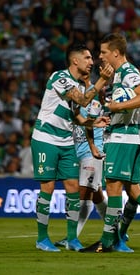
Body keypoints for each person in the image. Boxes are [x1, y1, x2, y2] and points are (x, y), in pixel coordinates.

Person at [83, 33, 140, 253]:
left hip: (121, 138)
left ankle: (108, 242)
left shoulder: (127, 72)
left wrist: (115, 107)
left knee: (113, 189)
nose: (100, 56)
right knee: (134, 190)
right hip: (133, 137)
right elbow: (139, 110)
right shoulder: (120, 75)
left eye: (104, 52)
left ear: (115, 52)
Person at [31, 43, 113, 252]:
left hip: (67, 142)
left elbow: (77, 117)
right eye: (87, 58)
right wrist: (102, 79)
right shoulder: (60, 78)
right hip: (46, 138)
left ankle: (71, 239)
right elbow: (83, 100)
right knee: (47, 188)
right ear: (75, 60)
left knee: (74, 188)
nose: (92, 62)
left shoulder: (77, 84)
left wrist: (94, 123)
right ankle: (42, 239)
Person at [54, 76, 110, 248]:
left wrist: (93, 147)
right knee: (97, 194)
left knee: (83, 195)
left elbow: (89, 126)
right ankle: (117, 229)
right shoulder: (78, 101)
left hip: (91, 153)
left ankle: (73, 237)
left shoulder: (94, 104)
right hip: (80, 152)